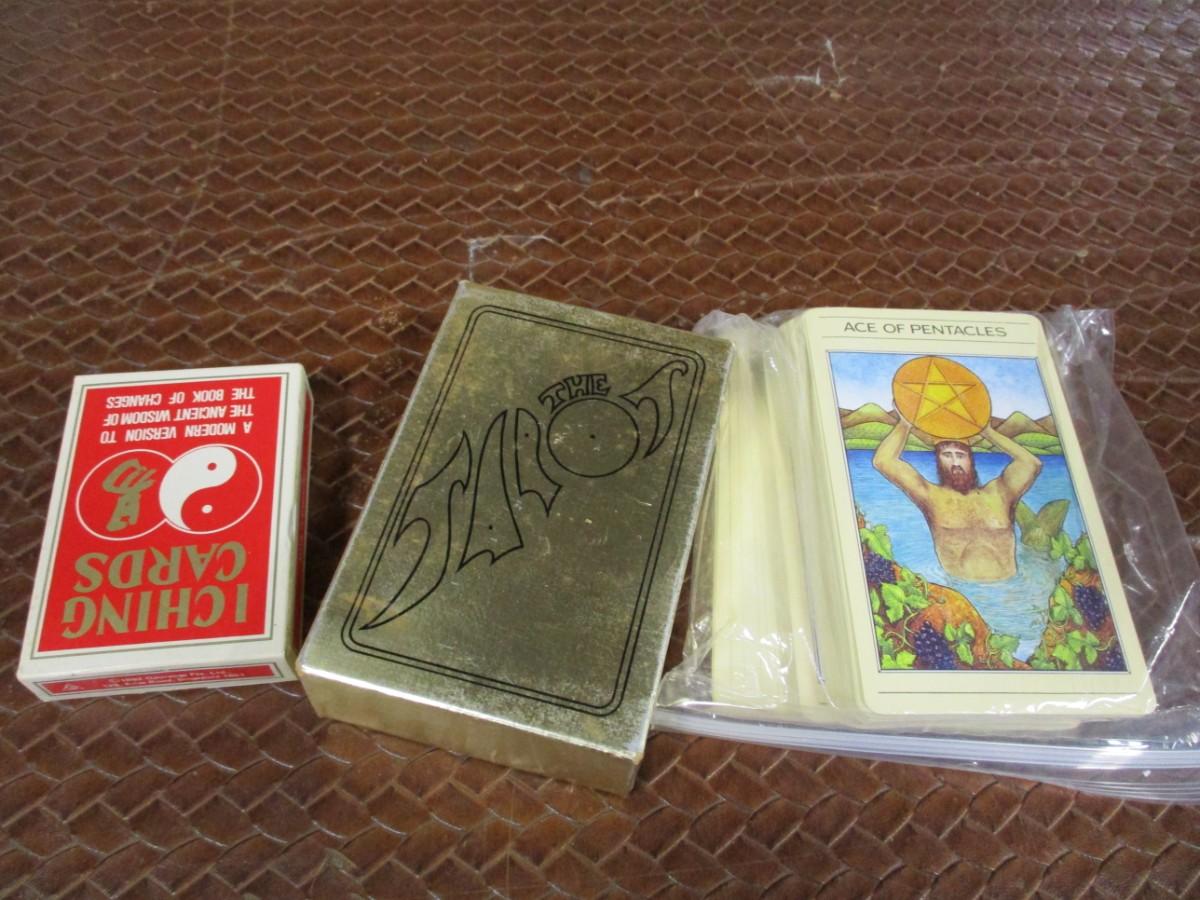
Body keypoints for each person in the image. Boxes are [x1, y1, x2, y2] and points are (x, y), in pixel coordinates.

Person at [872, 415, 1041, 581]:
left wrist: (988, 432)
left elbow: (1031, 463)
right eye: (947, 455)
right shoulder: (931, 496)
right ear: (938, 461)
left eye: (960, 455)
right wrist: (905, 423)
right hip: (962, 588)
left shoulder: (1000, 493)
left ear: (970, 460)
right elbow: (883, 461)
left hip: (1012, 590)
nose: (955, 463)